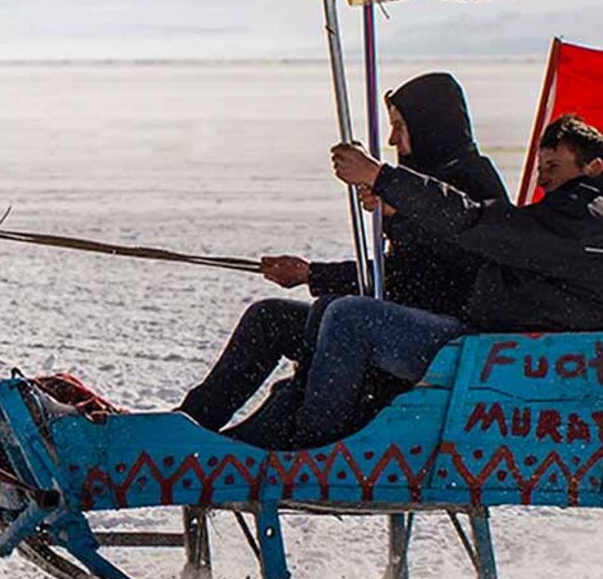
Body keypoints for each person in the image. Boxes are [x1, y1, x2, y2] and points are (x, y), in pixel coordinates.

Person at [178, 73, 503, 441]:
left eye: (400, 126)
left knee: (343, 314)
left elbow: (457, 264)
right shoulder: (421, 180)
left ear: (431, 125)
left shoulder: (472, 180)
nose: (394, 138)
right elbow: (397, 274)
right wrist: (310, 274)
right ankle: (191, 423)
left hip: (448, 340)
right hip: (398, 323)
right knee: (270, 317)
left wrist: (399, 218)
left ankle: (308, 440)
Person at [298, 113, 603, 446]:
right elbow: (474, 248)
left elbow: (471, 221)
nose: (542, 179)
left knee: (349, 317)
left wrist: (381, 176)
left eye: (554, 167)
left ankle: (315, 449)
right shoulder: (566, 220)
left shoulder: (577, 222)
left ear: (594, 168)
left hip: (498, 363)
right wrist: (398, 216)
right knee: (334, 309)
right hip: (513, 355)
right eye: (540, 168)